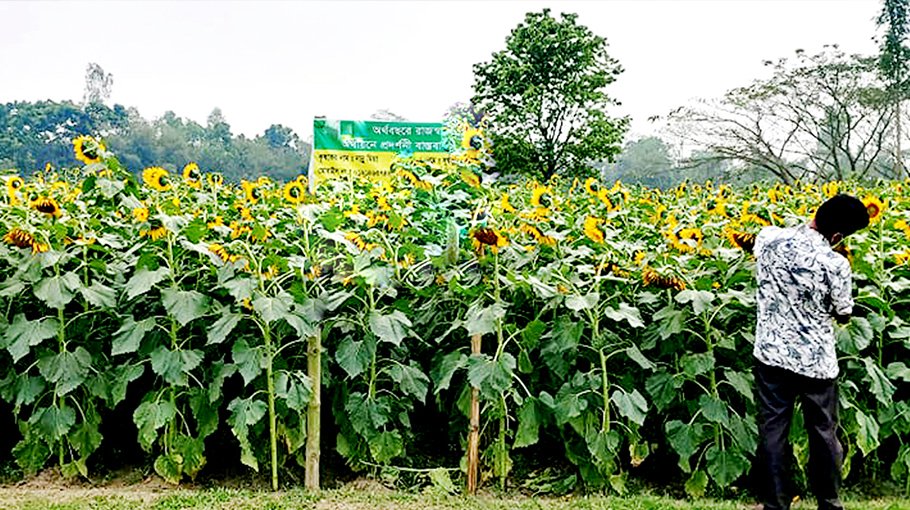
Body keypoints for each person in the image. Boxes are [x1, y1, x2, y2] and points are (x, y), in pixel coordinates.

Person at [752, 194, 870, 510]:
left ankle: (775, 504)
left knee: (773, 429)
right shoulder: (835, 264)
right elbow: (843, 312)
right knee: (822, 431)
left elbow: (759, 254)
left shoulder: (768, 238)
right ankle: (829, 502)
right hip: (815, 361)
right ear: (837, 235)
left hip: (771, 353)